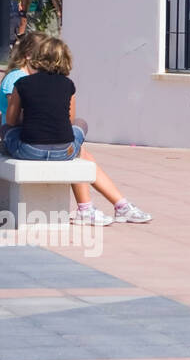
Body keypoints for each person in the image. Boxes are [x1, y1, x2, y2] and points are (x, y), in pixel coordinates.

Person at [2, 35, 151, 225]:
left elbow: (11, 120)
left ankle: (95, 208)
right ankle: (102, 207)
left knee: (7, 129)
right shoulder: (68, 84)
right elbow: (69, 120)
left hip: (29, 149)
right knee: (80, 134)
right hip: (64, 151)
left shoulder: (22, 83)